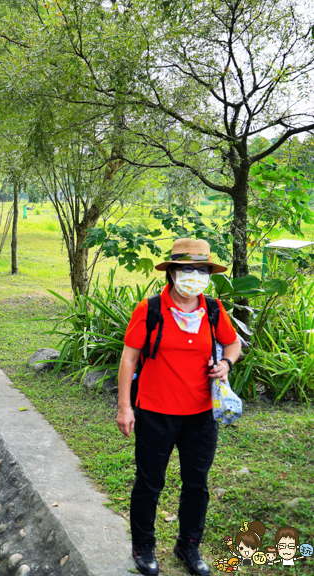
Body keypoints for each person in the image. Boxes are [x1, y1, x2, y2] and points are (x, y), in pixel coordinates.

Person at [116, 238, 241, 576]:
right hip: (155, 412)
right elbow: (128, 360)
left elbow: (233, 344)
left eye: (200, 269)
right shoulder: (150, 309)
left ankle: (189, 545)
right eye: (187, 269)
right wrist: (125, 407)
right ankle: (143, 547)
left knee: (197, 483)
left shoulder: (213, 309)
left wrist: (227, 364)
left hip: (201, 414)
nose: (194, 276)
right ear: (171, 272)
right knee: (149, 483)